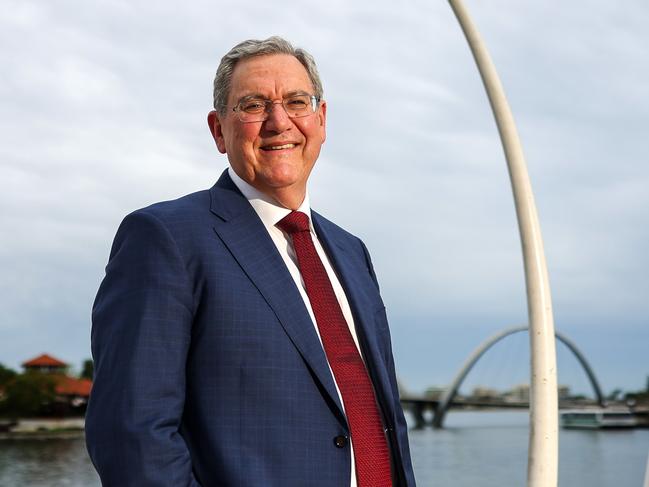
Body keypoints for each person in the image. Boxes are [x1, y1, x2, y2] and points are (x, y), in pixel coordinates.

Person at [85, 36, 416, 487]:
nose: (280, 122)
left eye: (297, 102)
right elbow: (131, 432)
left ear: (320, 119)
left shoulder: (350, 251)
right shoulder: (167, 238)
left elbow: (378, 416)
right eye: (254, 105)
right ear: (219, 130)